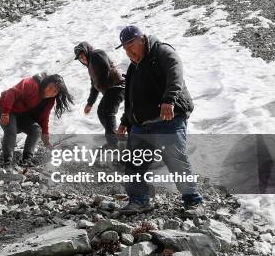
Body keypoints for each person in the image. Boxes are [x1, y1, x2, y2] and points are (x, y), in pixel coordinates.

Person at [115, 25, 202, 215]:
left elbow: (175, 74)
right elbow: (130, 99)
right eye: (125, 48)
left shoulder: (162, 51)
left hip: (168, 119)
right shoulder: (133, 68)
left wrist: (168, 100)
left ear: (142, 39)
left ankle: (192, 201)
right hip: (141, 125)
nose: (129, 52)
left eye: (131, 46)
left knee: (175, 159)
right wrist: (124, 121)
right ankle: (139, 200)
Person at [0, 73, 74, 164]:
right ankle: (7, 160)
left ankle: (27, 159)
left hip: (21, 114)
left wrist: (45, 136)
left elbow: (44, 117)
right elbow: (11, 93)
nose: (50, 92)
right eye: (50, 87)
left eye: (55, 91)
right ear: (45, 83)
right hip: (4, 107)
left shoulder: (49, 101)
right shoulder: (31, 84)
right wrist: (5, 113)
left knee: (36, 129)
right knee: (11, 130)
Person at [73, 41, 124, 146]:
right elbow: (94, 86)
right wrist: (90, 103)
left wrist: (103, 84)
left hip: (117, 86)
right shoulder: (90, 66)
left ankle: (113, 142)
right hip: (111, 90)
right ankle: (114, 137)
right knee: (101, 112)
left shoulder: (96, 54)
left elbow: (106, 68)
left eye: (83, 55)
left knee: (108, 112)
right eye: (80, 58)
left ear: (87, 51)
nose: (82, 58)